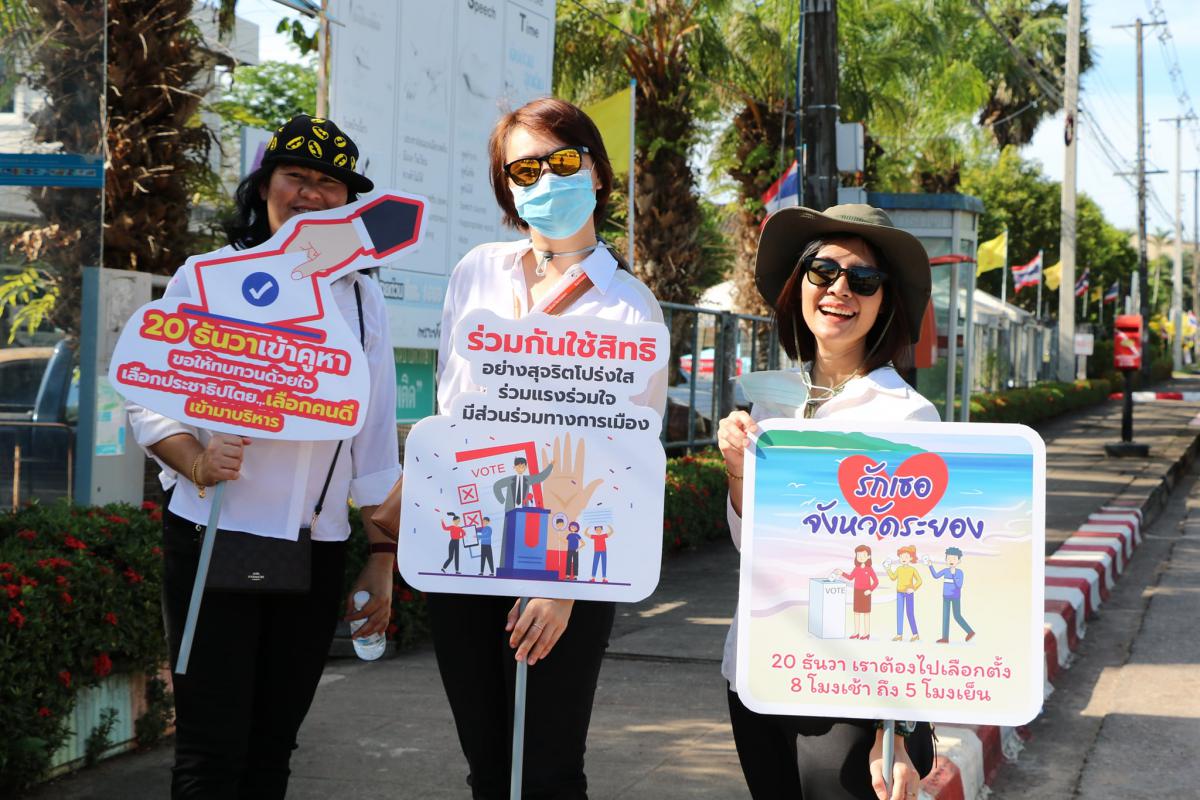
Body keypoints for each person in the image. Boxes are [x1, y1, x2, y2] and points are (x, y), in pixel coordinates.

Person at [127, 114, 400, 799]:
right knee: (209, 752)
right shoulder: (209, 277)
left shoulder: (362, 299)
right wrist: (195, 459)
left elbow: (374, 443)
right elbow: (147, 397)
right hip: (210, 533)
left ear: (347, 203)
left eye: (328, 183)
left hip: (314, 546)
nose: (309, 194)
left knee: (273, 746)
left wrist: (382, 558)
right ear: (263, 186)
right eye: (294, 176)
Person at [431, 96, 667, 798]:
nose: (546, 180)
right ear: (507, 188)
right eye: (524, 170)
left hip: (566, 569)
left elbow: (629, 460)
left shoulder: (630, 307)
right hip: (467, 551)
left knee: (546, 772)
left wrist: (562, 586)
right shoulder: (476, 272)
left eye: (563, 161)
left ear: (596, 171)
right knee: (487, 767)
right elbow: (449, 412)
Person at [717, 204, 940, 800]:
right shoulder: (771, 401)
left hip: (852, 689)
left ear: (884, 302)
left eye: (863, 280)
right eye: (824, 271)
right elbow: (750, 543)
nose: (840, 289)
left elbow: (913, 574)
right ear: (800, 285)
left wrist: (895, 728)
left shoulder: (907, 417)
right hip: (760, 672)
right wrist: (737, 470)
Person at [926, 547, 975, 643]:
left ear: (959, 561)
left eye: (954, 558)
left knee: (957, 615)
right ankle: (945, 638)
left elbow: (959, 585)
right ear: (945, 560)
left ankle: (970, 632)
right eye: (949, 558)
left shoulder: (959, 572)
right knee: (945, 616)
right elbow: (936, 576)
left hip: (955, 597)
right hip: (946, 597)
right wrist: (930, 566)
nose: (951, 561)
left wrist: (953, 575)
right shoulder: (945, 570)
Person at [833, 544, 878, 640]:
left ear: (868, 556)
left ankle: (866, 633)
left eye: (863, 555)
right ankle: (856, 632)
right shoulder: (856, 568)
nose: (860, 557)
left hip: (866, 593)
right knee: (856, 613)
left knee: (866, 613)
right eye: (858, 555)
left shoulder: (869, 569)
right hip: (857, 592)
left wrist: (870, 590)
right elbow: (850, 577)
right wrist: (842, 573)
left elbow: (876, 582)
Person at [885, 545, 922, 642]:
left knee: (910, 613)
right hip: (899, 593)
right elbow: (893, 578)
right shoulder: (899, 569)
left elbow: (919, 581)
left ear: (911, 558)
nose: (903, 558)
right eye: (901, 556)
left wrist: (913, 588)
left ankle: (915, 634)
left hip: (909, 593)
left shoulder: (912, 569)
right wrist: (888, 569)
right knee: (899, 613)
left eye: (906, 556)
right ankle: (899, 635)